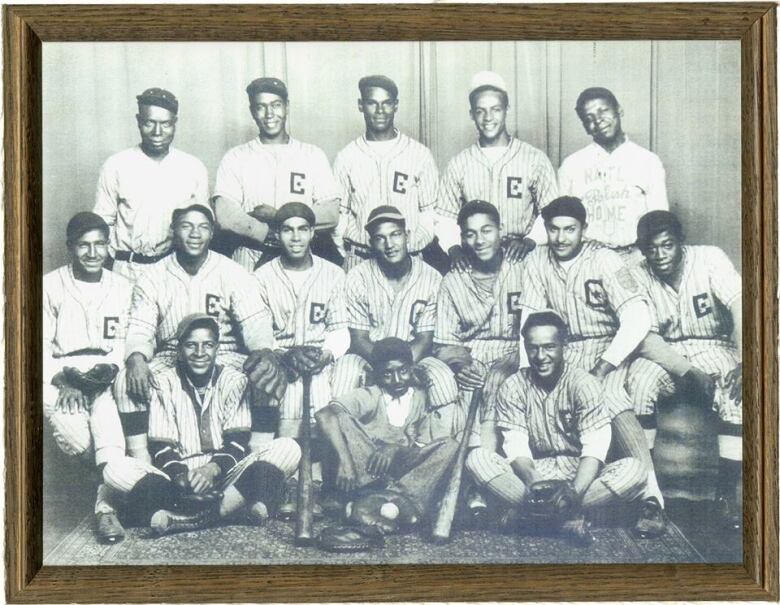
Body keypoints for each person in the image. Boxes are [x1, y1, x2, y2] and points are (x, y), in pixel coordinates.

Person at [518, 196, 668, 538]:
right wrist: (528, 370)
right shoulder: (536, 259)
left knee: (610, 397)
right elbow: (528, 321)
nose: (561, 238)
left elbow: (637, 318)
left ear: (584, 229)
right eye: (553, 230)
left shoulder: (604, 258)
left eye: (570, 229)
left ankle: (651, 499)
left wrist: (602, 368)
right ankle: (556, 496)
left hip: (607, 346)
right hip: (562, 349)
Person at [100, 314, 301, 536]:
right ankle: (228, 510)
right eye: (191, 345)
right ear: (179, 349)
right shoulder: (164, 382)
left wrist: (210, 470)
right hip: (177, 482)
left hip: (225, 477)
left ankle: (190, 517)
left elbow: (237, 442)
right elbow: (162, 447)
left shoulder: (234, 380)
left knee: (289, 448)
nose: (199, 353)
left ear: (217, 348)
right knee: (113, 470)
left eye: (207, 345)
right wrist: (182, 478)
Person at [466, 311, 647, 544]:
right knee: (477, 459)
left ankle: (531, 519)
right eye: (533, 348)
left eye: (549, 347)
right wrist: (536, 485)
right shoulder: (512, 386)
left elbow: (595, 450)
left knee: (635, 471)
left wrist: (572, 494)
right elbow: (517, 448)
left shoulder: (584, 384)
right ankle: (565, 520)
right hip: (534, 474)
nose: (541, 356)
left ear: (565, 345)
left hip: (579, 473)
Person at [114, 204, 277, 463]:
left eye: (202, 227)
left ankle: (256, 463)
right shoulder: (153, 276)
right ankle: (143, 464)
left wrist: (264, 350)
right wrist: (136, 358)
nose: (194, 234)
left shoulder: (231, 271)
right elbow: (140, 328)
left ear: (212, 233)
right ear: (173, 231)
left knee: (266, 371)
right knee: (125, 380)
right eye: (186, 226)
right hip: (172, 355)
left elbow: (255, 320)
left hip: (223, 352)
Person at [628, 210, 743, 530]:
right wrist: (688, 371)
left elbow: (742, 303)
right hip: (663, 351)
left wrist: (749, 359)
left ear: (681, 242)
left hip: (714, 345)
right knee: (637, 384)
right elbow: (643, 337)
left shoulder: (709, 258)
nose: (660, 255)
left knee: (738, 391)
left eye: (667, 246)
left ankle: (726, 495)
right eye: (651, 249)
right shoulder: (634, 271)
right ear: (642, 250)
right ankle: (648, 494)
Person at [43, 211, 133, 544]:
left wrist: (110, 369)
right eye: (84, 245)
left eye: (99, 244)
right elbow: (34, 345)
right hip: (61, 374)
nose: (93, 253)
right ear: (70, 247)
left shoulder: (123, 286)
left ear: (109, 246)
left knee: (109, 425)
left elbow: (125, 340)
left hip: (105, 372)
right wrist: (63, 381)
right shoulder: (50, 285)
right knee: (78, 439)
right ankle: (111, 484)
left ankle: (105, 508)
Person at [316, 338, 462, 519]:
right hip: (368, 471)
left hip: (402, 476)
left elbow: (418, 452)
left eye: (403, 371)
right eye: (387, 374)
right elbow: (324, 415)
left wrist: (394, 449)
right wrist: (345, 462)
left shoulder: (421, 399)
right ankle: (375, 498)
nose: (397, 380)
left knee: (451, 445)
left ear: (412, 368)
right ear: (376, 374)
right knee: (340, 419)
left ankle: (398, 499)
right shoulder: (371, 395)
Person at [331, 205, 458, 411]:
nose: (389, 244)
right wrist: (386, 369)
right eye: (380, 238)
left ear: (407, 235)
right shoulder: (357, 277)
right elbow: (359, 338)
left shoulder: (432, 277)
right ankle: (351, 442)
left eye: (395, 235)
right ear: (371, 243)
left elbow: (424, 339)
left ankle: (436, 443)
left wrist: (400, 369)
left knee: (443, 380)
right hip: (369, 356)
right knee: (344, 376)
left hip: (414, 357)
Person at [212, 77, 342, 270]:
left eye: (276, 105)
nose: (269, 114)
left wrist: (278, 216)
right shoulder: (236, 157)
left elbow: (331, 214)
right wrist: (267, 232)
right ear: (252, 111)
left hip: (303, 257)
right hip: (251, 255)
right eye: (261, 107)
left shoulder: (312, 155)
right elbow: (226, 216)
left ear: (287, 107)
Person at [435, 71, 558, 271]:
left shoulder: (534, 159)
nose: (488, 118)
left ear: (506, 109)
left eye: (496, 109)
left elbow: (551, 211)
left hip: (523, 256)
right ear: (471, 114)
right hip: (475, 258)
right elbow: (445, 216)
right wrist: (453, 248)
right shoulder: (459, 163)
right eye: (480, 111)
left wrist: (529, 241)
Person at [434, 200, 526, 456]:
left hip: (518, 351)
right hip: (471, 354)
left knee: (496, 380)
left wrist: (513, 361)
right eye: (470, 233)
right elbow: (445, 341)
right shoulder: (453, 280)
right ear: (461, 238)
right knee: (466, 384)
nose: (479, 240)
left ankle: (489, 463)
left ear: (501, 230)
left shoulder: (524, 266)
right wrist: (461, 366)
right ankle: (471, 468)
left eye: (487, 230)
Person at [333, 75, 448, 273]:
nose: (380, 111)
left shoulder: (419, 154)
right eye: (372, 103)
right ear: (361, 105)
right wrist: (349, 250)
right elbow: (340, 215)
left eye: (386, 103)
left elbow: (430, 214)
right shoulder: (347, 156)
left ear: (396, 105)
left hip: (409, 258)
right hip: (361, 258)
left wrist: (410, 247)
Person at [254, 202, 349, 439]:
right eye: (287, 230)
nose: (295, 237)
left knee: (328, 391)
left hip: (320, 358)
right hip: (282, 357)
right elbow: (260, 332)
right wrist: (283, 354)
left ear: (312, 233)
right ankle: (284, 464)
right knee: (290, 391)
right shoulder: (261, 276)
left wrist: (326, 354)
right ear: (277, 234)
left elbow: (340, 330)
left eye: (302, 229)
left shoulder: (333, 273)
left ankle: (323, 469)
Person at [93, 88, 209, 281]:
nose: (157, 132)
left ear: (175, 123)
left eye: (165, 124)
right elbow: (103, 222)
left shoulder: (193, 167)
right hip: (126, 269)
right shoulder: (116, 165)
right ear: (138, 121)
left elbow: (201, 226)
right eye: (149, 123)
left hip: (173, 269)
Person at [557, 87, 668, 255]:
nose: (599, 120)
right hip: (588, 257)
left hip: (636, 256)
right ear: (586, 127)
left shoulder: (648, 161)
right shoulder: (572, 165)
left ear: (619, 110)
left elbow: (660, 218)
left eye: (603, 111)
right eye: (589, 118)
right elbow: (560, 219)